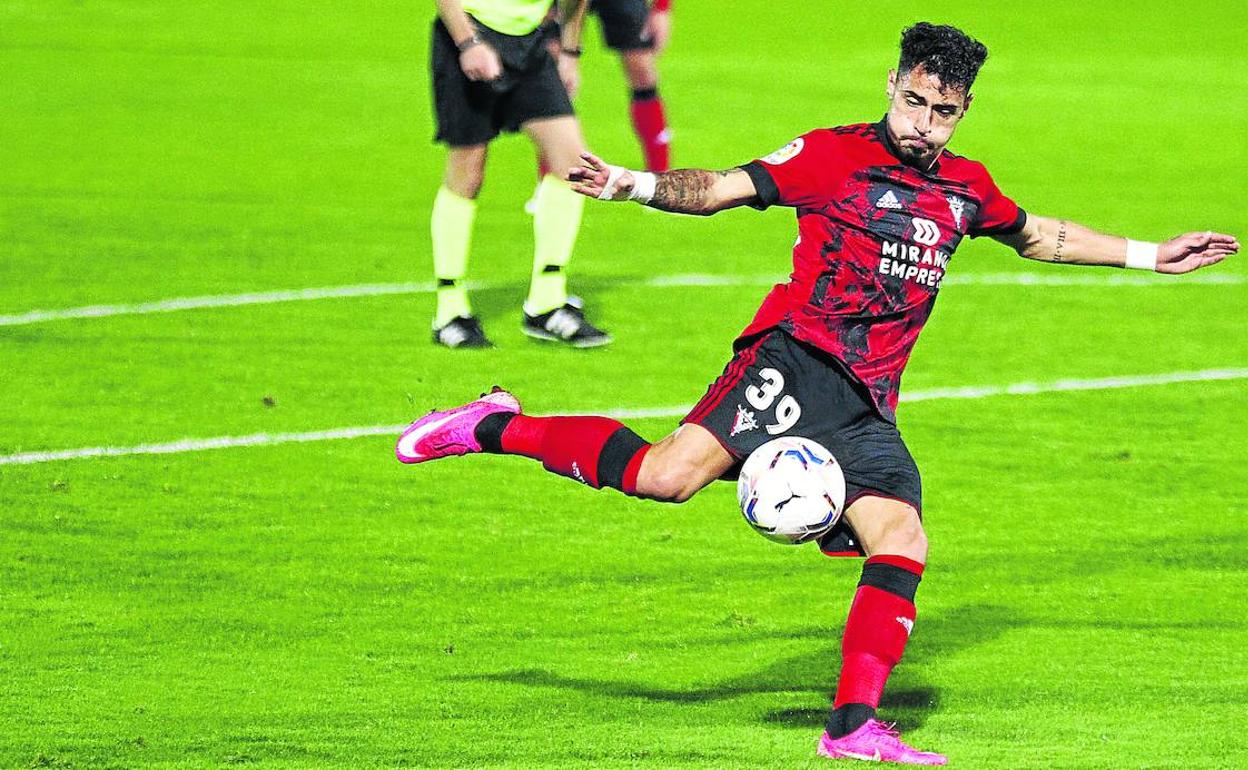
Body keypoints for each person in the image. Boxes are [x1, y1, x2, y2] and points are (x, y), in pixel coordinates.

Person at [399, 22, 1238, 764]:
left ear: (964, 111)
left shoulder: (965, 187)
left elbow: (1039, 235)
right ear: (892, 84)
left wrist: (1150, 254)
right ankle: (493, 425)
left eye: (943, 113)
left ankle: (851, 727)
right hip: (796, 363)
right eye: (914, 103)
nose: (923, 124)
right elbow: (721, 189)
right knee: (664, 477)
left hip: (868, 402)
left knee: (901, 538)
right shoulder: (832, 156)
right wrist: (631, 184)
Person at [429, 0, 611, 349]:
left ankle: (546, 302)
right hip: (469, 33)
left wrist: (570, 52)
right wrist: (467, 43)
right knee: (467, 174)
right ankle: (449, 311)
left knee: (574, 167)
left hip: (532, 44)